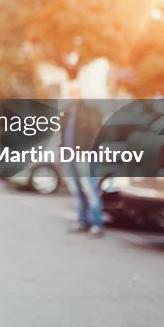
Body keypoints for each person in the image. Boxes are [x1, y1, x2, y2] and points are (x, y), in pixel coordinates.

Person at [62, 92, 104, 237]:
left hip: (84, 156)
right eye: (71, 92)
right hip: (70, 156)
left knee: (90, 190)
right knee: (77, 190)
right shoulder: (67, 112)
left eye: (76, 92)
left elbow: (96, 133)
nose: (73, 95)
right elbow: (64, 134)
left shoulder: (89, 111)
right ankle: (82, 221)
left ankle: (97, 224)